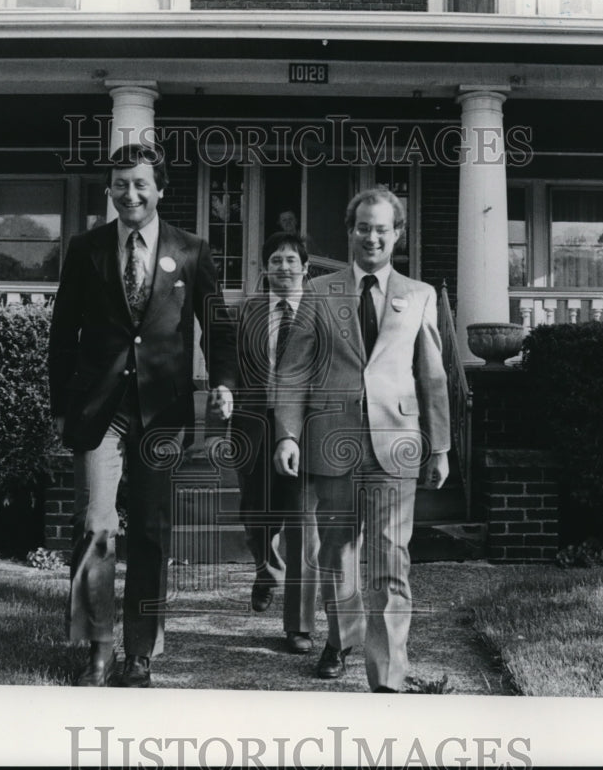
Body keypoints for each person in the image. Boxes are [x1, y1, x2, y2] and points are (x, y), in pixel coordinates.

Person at [49, 143, 237, 688]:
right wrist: (62, 407)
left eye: (140, 184)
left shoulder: (192, 250)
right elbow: (64, 335)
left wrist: (223, 383)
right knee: (98, 524)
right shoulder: (86, 248)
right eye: (120, 184)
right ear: (110, 190)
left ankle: (139, 653)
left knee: (152, 531)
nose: (130, 194)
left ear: (159, 189)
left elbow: (216, 326)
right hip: (100, 409)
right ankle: (98, 650)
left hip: (162, 413)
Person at [273, 186, 450, 693]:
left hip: (395, 443)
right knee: (337, 554)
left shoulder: (418, 295)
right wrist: (287, 434)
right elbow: (292, 373)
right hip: (331, 443)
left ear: (397, 234)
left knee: (392, 557)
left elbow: (432, 376)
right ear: (350, 232)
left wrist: (439, 446)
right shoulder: (319, 292)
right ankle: (342, 637)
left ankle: (389, 677)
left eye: (382, 228)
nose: (372, 236)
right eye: (363, 227)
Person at [232, 232, 319, 655]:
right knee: (253, 512)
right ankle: (266, 568)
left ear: (306, 267)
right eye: (275, 259)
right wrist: (224, 390)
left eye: (290, 259)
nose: (283, 266)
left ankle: (299, 625)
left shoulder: (321, 310)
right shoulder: (248, 310)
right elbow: (226, 361)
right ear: (265, 267)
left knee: (301, 520)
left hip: (304, 428)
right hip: (254, 423)